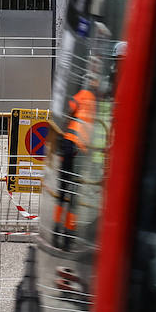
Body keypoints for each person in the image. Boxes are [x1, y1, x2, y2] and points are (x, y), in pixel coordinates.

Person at [53, 71, 97, 250]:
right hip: (81, 149)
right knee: (74, 195)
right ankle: (68, 237)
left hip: (69, 144)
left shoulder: (82, 94)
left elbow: (69, 109)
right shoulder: (94, 101)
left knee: (62, 190)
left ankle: (56, 230)